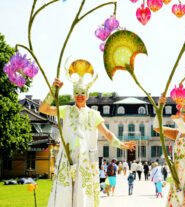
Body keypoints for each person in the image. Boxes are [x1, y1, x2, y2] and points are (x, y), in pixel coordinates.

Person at [40, 60, 136, 207]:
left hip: (85, 160)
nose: (79, 95)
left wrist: (121, 144)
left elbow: (107, 133)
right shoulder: (66, 110)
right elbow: (44, 109)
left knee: (83, 194)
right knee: (65, 192)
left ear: (87, 94)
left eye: (82, 93)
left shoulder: (94, 114)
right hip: (66, 157)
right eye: (77, 93)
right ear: (73, 94)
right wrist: (53, 90)